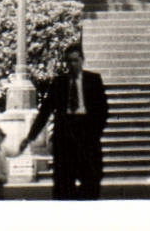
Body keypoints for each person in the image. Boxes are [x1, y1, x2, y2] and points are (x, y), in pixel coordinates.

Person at [19, 44, 109, 200]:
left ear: (82, 60)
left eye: (75, 60)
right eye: (69, 61)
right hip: (65, 136)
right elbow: (45, 112)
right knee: (63, 186)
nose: (72, 65)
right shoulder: (59, 83)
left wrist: (94, 133)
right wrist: (30, 137)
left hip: (86, 135)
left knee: (91, 182)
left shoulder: (93, 80)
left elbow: (102, 110)